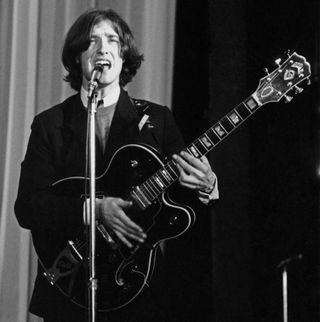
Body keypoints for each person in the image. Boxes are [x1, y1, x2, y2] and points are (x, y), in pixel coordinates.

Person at [15, 8, 218, 322]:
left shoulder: (158, 119)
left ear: (124, 57)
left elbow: (183, 203)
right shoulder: (50, 124)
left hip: (139, 285)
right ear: (78, 58)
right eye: (91, 41)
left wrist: (207, 187)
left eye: (111, 40)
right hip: (71, 286)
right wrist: (94, 209)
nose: (102, 48)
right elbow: (28, 207)